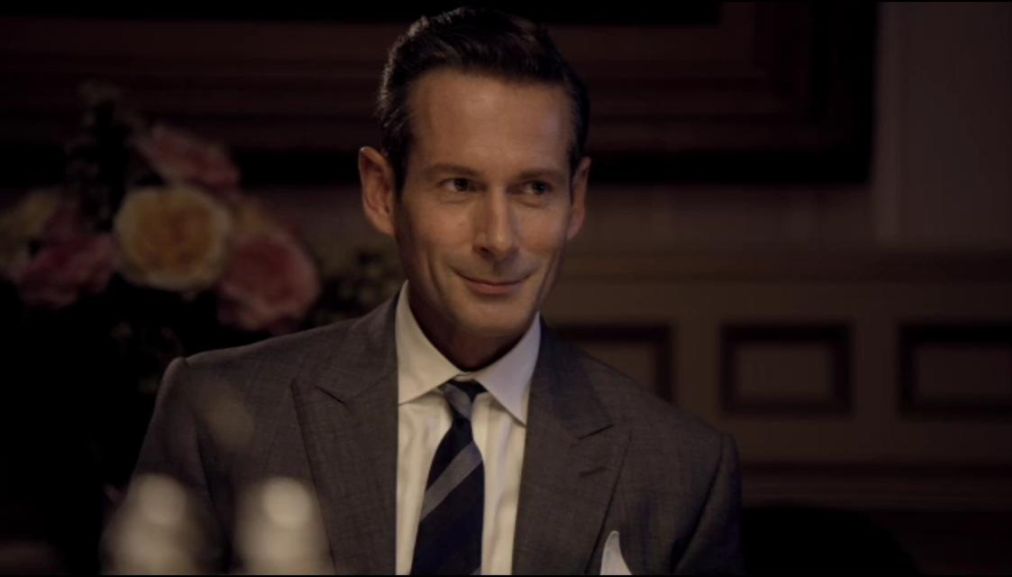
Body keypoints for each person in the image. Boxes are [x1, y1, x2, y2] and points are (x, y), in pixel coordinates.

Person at [129, 7, 742, 574]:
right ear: (381, 192)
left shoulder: (681, 472)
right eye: (459, 186)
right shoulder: (219, 413)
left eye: (534, 189)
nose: (499, 238)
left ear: (575, 199)